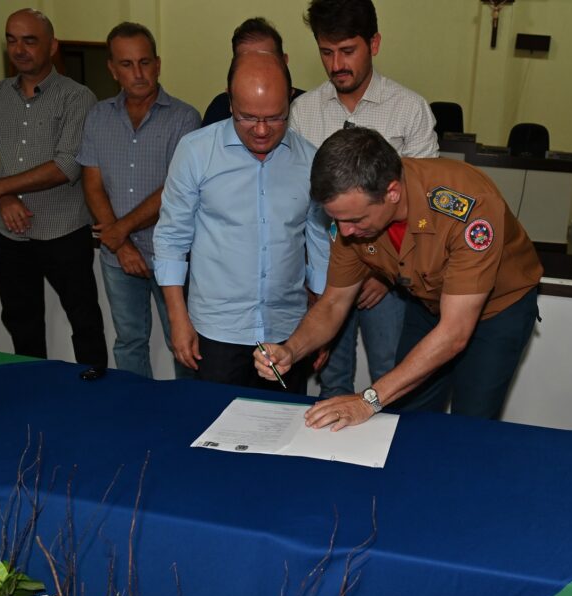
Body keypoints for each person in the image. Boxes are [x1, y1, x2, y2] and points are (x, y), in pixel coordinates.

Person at [254, 126, 542, 430]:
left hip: (496, 312)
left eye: (355, 220)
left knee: (470, 421)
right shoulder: (351, 218)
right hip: (427, 301)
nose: (346, 232)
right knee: (407, 413)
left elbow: (454, 333)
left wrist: (367, 400)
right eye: (338, 220)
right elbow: (334, 302)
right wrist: (291, 349)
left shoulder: (469, 207)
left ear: (392, 192)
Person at [153, 51, 329, 390]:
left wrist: (318, 326)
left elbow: (320, 246)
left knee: (280, 431)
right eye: (248, 117)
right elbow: (171, 238)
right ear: (230, 102)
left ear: (290, 100)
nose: (262, 131)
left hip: (287, 331)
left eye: (275, 118)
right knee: (213, 429)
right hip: (217, 331)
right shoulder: (195, 152)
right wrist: (177, 318)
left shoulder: (310, 160)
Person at [291, 0, 439, 402]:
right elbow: (302, 208)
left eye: (347, 50)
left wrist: (379, 273)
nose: (336, 63)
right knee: (330, 381)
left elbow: (422, 206)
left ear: (373, 43)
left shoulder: (409, 110)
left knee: (390, 379)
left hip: (388, 282)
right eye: (326, 52)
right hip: (327, 276)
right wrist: (310, 277)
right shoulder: (302, 112)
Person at [0, 8, 108, 377]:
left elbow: (66, 166)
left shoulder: (78, 97)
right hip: (9, 234)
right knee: (20, 320)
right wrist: (3, 196)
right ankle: (33, 388)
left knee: (84, 320)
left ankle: (95, 393)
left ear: (52, 45)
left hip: (63, 231)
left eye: (30, 40)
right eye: (12, 39)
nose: (19, 48)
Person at [77, 22, 200, 379]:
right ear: (112, 69)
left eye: (145, 62)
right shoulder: (98, 117)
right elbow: (93, 183)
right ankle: (135, 412)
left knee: (185, 344)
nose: (138, 73)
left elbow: (175, 190)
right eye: (127, 64)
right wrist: (122, 245)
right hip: (118, 257)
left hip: (173, 256)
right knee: (128, 342)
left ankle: (188, 414)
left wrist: (118, 232)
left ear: (158, 64)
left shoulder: (184, 118)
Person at [200, 17, 304, 128]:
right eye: (247, 117)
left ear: (284, 60)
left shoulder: (304, 106)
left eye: (265, 61)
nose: (255, 69)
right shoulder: (220, 108)